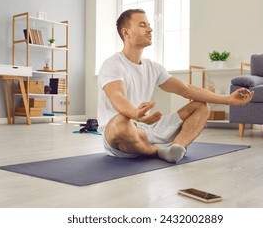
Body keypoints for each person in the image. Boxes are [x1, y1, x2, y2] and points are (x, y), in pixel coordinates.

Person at [97, 9, 254, 163]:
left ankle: (176, 148)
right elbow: (117, 96)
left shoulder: (153, 67)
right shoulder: (113, 64)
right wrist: (135, 113)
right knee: (121, 122)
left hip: (148, 129)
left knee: (201, 107)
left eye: (149, 25)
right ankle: (157, 151)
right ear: (126, 33)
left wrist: (228, 99)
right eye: (143, 25)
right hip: (121, 135)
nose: (150, 29)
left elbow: (186, 89)